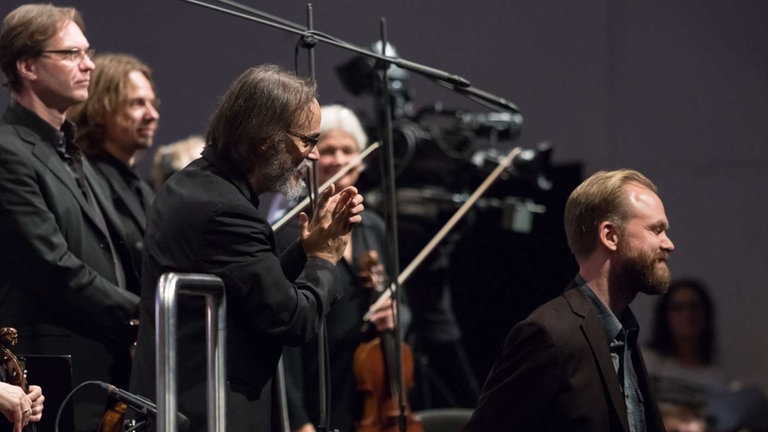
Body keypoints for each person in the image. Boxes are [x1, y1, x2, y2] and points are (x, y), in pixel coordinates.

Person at [129, 65, 364, 432]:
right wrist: (324, 259)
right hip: (209, 414)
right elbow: (292, 320)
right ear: (267, 140)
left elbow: (247, 286)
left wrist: (304, 250)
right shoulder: (227, 211)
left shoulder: (195, 182)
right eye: (309, 140)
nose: (314, 156)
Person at [0, 4, 140, 429]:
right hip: (53, 370)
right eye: (71, 54)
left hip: (106, 367)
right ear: (27, 65)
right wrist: (144, 313)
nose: (89, 64)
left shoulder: (71, 151)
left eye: (88, 52)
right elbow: (52, 266)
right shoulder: (9, 151)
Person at [463, 169, 673, 432]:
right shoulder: (549, 336)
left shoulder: (624, 332)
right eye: (656, 230)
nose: (668, 244)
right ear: (610, 236)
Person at [276, 105, 397, 432]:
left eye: (349, 150)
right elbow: (279, 338)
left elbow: (404, 304)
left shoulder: (373, 227)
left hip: (366, 393)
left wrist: (397, 315)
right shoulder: (290, 232)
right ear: (309, 158)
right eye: (329, 150)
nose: (340, 159)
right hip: (316, 391)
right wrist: (298, 420)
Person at [68, 53, 159, 275]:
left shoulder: (141, 187)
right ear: (100, 109)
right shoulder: (84, 181)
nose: (152, 115)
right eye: (138, 103)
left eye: (153, 103)